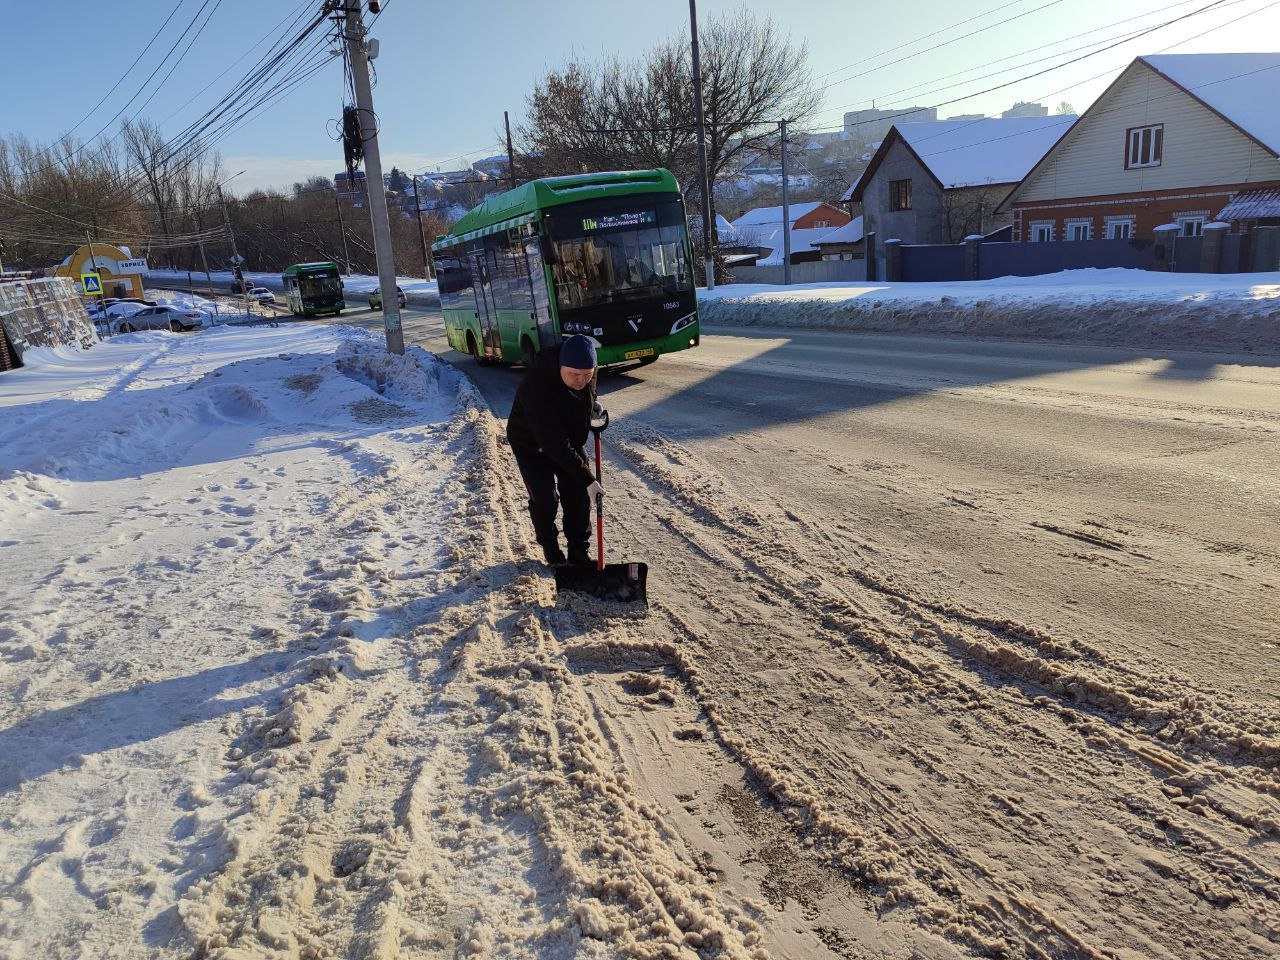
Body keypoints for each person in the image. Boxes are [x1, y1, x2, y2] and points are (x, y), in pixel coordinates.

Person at [507, 334, 608, 566]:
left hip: (567, 440)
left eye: (587, 375)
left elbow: (587, 393)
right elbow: (554, 443)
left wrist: (593, 406)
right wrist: (588, 479)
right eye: (574, 375)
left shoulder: (585, 370)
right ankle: (550, 547)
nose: (581, 380)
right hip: (531, 444)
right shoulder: (536, 385)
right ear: (561, 366)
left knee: (578, 496)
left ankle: (578, 551)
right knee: (545, 500)